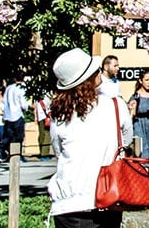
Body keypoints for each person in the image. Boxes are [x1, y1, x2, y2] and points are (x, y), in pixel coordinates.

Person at [47, 48, 133, 228]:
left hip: (68, 202)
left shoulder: (59, 114)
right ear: (89, 78)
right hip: (107, 196)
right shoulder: (116, 106)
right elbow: (126, 140)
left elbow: (58, 151)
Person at [1, 76, 30, 161]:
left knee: (8, 136)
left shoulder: (8, 88)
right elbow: (23, 104)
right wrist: (28, 107)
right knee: (18, 137)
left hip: (8, 115)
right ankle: (17, 155)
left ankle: (4, 152)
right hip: (17, 115)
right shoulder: (21, 88)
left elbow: (4, 101)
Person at [35, 94, 53, 159]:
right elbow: (48, 106)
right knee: (47, 135)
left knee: (41, 134)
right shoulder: (47, 94)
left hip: (40, 117)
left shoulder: (37, 95)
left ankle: (41, 151)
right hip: (45, 117)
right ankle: (44, 154)